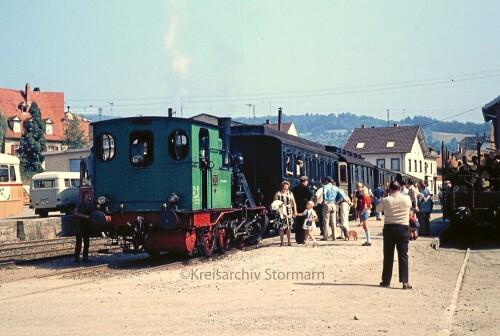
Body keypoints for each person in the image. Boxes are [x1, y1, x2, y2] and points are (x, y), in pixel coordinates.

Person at [376, 181, 413, 290]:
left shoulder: (386, 200)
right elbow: (410, 207)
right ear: (400, 188)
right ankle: (405, 282)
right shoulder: (406, 199)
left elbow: (378, 209)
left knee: (388, 255)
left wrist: (384, 196)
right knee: (403, 255)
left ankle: (386, 280)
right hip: (403, 228)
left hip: (389, 229)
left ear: (390, 189)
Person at [274, 181, 297, 246]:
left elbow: (294, 203)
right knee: (281, 227)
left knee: (288, 227)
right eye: (284, 188)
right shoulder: (278, 194)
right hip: (280, 212)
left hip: (288, 212)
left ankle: (289, 241)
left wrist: (295, 211)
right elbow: (274, 203)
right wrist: (278, 205)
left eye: (287, 188)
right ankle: (282, 241)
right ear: (282, 187)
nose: (285, 190)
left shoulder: (290, 193)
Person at [73, 191, 94, 263]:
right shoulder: (80, 204)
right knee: (78, 242)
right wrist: (85, 216)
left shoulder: (91, 204)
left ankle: (85, 258)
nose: (89, 196)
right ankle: (76, 258)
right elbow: (75, 213)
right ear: (84, 196)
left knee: (86, 242)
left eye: (89, 195)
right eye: (87, 195)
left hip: (87, 225)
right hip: (80, 224)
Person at [292, 176, 313, 244]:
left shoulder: (295, 188)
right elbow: (310, 195)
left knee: (298, 222)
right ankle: (303, 238)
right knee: (304, 222)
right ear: (305, 181)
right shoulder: (306, 188)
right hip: (304, 206)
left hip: (297, 206)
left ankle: (298, 239)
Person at [321, 176, 339, 241]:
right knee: (333, 221)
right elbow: (340, 195)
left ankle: (325, 236)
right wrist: (337, 201)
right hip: (333, 204)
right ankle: (334, 236)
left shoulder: (325, 187)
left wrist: (324, 200)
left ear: (326, 181)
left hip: (327, 204)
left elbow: (324, 194)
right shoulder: (336, 188)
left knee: (326, 221)